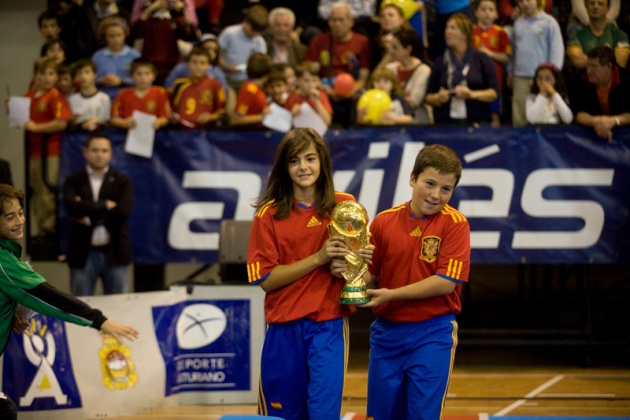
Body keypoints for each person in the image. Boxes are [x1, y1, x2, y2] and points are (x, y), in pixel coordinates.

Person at [332, 144, 470, 420]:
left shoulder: (455, 224)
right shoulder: (383, 222)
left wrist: (391, 295)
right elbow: (369, 275)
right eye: (429, 183)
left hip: (433, 333)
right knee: (382, 415)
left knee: (422, 416)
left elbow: (446, 282)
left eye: (446, 189)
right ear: (412, 179)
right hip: (387, 334)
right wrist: (349, 271)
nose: (435, 195)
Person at [246, 127, 370, 420]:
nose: (303, 167)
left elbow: (364, 275)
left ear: (322, 162)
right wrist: (318, 258)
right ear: (284, 167)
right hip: (283, 328)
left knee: (324, 413)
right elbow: (266, 280)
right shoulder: (269, 214)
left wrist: (349, 269)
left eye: (310, 158)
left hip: (328, 324)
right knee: (285, 415)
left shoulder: (345, 205)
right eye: (294, 160)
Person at [0, 182, 139, 419]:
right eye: (10, 217)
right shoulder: (5, 263)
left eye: (21, 213)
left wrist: (11, 313)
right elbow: (49, 298)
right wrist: (99, 321)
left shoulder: (9, 256)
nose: (20, 221)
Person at [62, 134, 134, 296]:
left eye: (104, 150)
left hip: (116, 252)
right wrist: (104, 204)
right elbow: (72, 207)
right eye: (95, 150)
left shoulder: (122, 181)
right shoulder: (73, 180)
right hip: (83, 253)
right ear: (85, 152)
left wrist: (87, 215)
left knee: (119, 306)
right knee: (81, 306)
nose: (99, 155)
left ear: (110, 154)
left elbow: (123, 211)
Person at [24, 57, 71, 242]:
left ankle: (51, 230)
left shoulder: (55, 97)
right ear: (36, 76)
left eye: (51, 73)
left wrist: (36, 127)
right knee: (36, 190)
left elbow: (60, 123)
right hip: (33, 150)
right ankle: (42, 228)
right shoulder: (29, 96)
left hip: (50, 151)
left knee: (48, 189)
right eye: (42, 73)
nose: (46, 78)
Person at [425, 13, 499, 126]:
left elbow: (494, 93)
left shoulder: (481, 59)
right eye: (447, 27)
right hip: (446, 123)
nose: (447, 31)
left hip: (476, 121)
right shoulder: (440, 61)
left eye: (453, 28)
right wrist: (438, 98)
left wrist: (473, 94)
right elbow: (428, 97)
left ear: (465, 34)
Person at [304, 2, 371, 128]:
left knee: (359, 98)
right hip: (324, 88)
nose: (337, 24)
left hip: (351, 90)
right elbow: (311, 72)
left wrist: (349, 92)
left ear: (351, 22)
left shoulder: (362, 42)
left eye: (341, 20)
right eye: (333, 20)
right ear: (329, 22)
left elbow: (363, 77)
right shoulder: (318, 41)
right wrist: (323, 88)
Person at [508, 0, 565, 127]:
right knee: (519, 115)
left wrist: (552, 76)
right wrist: (510, 72)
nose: (525, 4)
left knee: (543, 114)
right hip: (520, 76)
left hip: (542, 79)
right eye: (521, 1)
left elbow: (557, 50)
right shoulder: (518, 23)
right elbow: (513, 51)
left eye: (528, 0)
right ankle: (519, 143)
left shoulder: (549, 23)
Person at [570, 46, 630, 141]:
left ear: (609, 66)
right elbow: (578, 113)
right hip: (592, 136)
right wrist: (596, 122)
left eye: (593, 66)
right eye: (587, 66)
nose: (588, 71)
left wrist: (614, 121)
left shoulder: (626, 79)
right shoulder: (580, 79)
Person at [131, 0, 197, 85]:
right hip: (150, 65)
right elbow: (135, 33)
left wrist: (183, 11)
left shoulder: (175, 21)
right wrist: (149, 10)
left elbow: (191, 35)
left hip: (171, 64)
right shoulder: (148, 22)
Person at [472, 0, 512, 126]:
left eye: (491, 10)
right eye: (483, 9)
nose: (487, 13)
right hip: (474, 81)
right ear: (476, 12)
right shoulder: (470, 32)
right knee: (474, 115)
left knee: (494, 114)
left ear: (496, 14)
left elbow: (506, 57)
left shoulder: (501, 32)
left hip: (495, 82)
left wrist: (489, 53)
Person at [383, 27, 432, 124]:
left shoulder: (423, 70)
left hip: (415, 119)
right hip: (390, 116)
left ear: (408, 49)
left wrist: (391, 97)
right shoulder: (389, 68)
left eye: (395, 47)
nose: (391, 51)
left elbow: (414, 102)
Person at [170, 46, 227, 129]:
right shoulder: (179, 84)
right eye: (194, 62)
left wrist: (210, 117)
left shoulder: (215, 84)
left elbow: (222, 112)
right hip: (180, 131)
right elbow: (171, 109)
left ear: (208, 65)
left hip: (205, 131)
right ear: (188, 64)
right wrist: (172, 117)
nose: (198, 66)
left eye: (202, 63)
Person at [218, 4, 269, 94]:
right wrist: (227, 67)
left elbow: (261, 67)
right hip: (227, 78)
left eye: (258, 31)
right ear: (246, 21)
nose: (254, 33)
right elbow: (218, 56)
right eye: (252, 29)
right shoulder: (230, 33)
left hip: (249, 81)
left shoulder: (260, 42)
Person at [566, 0, 629, 70]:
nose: (595, 7)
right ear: (586, 7)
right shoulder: (575, 35)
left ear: (608, 8)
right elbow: (576, 59)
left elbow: (620, 62)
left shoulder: (620, 35)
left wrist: (592, 63)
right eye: (592, 3)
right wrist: (605, 63)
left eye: (600, 4)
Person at [110, 58, 171, 130]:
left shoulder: (160, 92)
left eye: (147, 74)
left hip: (153, 133)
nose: (143, 78)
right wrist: (125, 123)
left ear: (154, 76)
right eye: (139, 74)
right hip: (127, 132)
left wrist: (158, 122)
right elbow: (114, 119)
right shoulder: (123, 93)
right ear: (132, 76)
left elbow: (166, 117)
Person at [92, 15, 141, 101]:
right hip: (103, 99)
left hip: (128, 100)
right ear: (105, 37)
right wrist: (100, 81)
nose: (116, 40)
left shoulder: (134, 55)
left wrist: (122, 81)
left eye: (119, 35)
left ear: (125, 34)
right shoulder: (98, 56)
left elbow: (142, 79)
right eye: (111, 36)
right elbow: (90, 79)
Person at [165, 34, 229, 95]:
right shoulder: (181, 68)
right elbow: (168, 87)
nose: (211, 52)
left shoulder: (218, 73)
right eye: (208, 48)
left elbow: (223, 95)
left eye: (215, 50)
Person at [230, 52, 272, 128]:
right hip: (247, 136)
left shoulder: (256, 89)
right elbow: (236, 119)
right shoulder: (249, 90)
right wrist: (263, 117)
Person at [68, 58, 112, 131]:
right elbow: (71, 123)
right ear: (76, 77)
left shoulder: (104, 98)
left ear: (94, 75)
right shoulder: (72, 99)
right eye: (79, 73)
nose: (83, 76)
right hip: (78, 135)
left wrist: (98, 121)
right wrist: (70, 120)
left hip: (99, 135)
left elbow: (108, 122)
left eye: (87, 72)